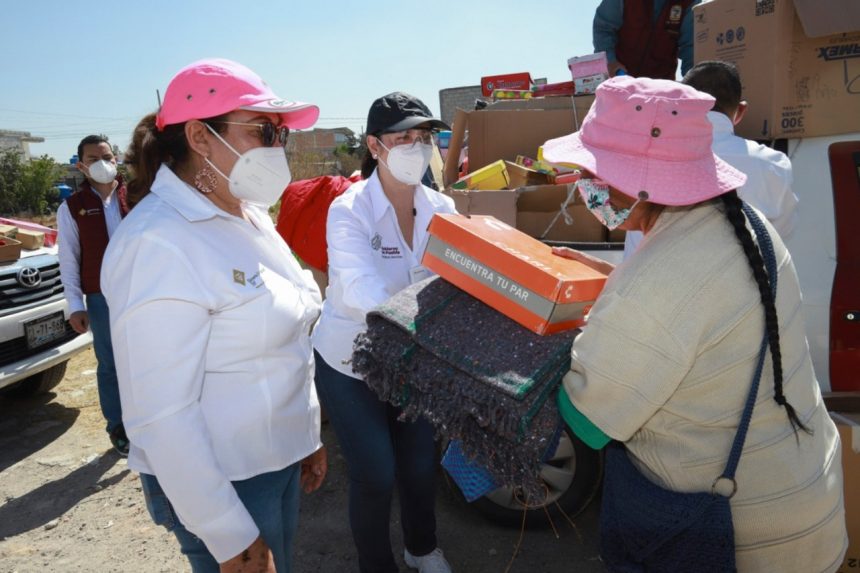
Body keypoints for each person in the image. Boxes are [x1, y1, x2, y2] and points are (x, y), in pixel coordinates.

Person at [544, 76, 847, 571]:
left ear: (640, 180)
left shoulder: (659, 282)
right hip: (803, 502)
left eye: (594, 174)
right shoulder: (745, 222)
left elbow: (588, 419)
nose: (585, 187)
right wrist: (618, 284)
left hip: (738, 541)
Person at [100, 58, 327, 573]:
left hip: (274, 459)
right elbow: (160, 415)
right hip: (222, 482)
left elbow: (287, 334)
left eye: (281, 136)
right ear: (201, 137)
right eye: (265, 132)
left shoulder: (246, 215)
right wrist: (233, 539)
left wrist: (306, 438)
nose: (277, 150)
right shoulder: (159, 243)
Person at [312, 92, 456, 573]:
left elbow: (458, 277)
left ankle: (422, 548)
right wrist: (419, 322)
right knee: (375, 472)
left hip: (413, 363)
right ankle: (377, 565)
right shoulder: (347, 209)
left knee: (418, 467)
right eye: (403, 138)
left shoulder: (443, 207)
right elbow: (355, 286)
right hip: (351, 359)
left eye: (423, 137)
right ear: (375, 146)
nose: (417, 146)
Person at [624, 59, 798, 256]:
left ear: (679, 108)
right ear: (740, 111)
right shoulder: (773, 165)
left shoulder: (646, 161)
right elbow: (781, 236)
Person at [58, 135, 129, 456]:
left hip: (140, 291)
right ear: (81, 165)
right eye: (94, 158)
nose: (103, 163)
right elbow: (69, 259)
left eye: (108, 156)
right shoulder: (72, 207)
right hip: (101, 297)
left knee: (147, 356)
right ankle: (117, 425)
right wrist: (75, 305)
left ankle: (149, 420)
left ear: (117, 159)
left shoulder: (139, 197)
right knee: (110, 363)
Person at [593, 0, 701, 80]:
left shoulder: (689, 2)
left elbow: (691, 47)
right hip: (621, 82)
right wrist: (610, 61)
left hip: (661, 88)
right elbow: (603, 28)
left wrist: (695, 81)